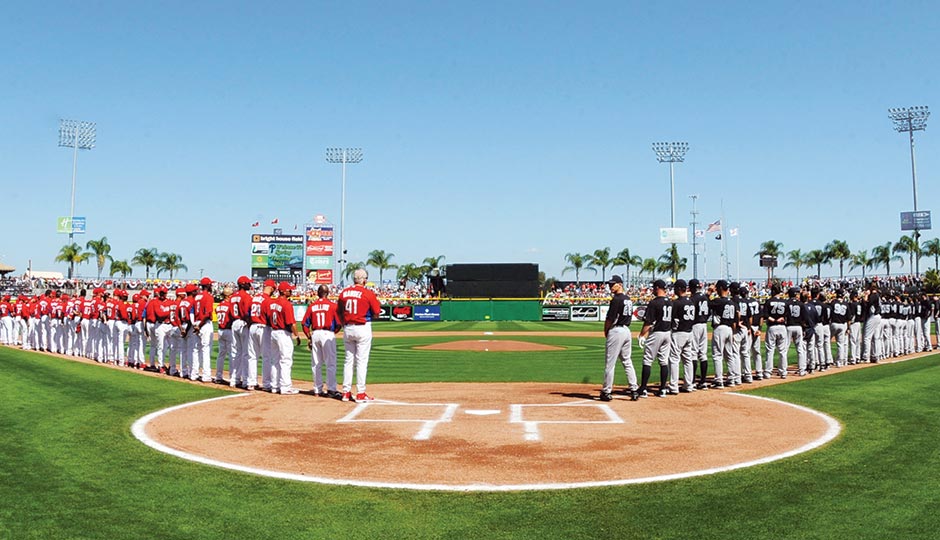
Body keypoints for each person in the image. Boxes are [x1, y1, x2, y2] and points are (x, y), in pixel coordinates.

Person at [337, 268, 382, 402]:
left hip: (348, 327)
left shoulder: (344, 293)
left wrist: (344, 322)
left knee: (348, 360)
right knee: (361, 361)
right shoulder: (367, 293)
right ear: (364, 280)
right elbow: (377, 312)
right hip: (363, 326)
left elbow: (338, 311)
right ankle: (360, 393)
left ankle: (346, 392)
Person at [599, 275, 638, 401]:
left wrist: (606, 331)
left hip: (616, 331)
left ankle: (606, 391)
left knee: (610, 363)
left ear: (620, 284)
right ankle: (634, 389)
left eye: (613, 284)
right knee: (627, 361)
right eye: (610, 284)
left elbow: (609, 318)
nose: (610, 286)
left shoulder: (616, 299)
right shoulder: (628, 299)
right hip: (627, 330)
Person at [302, 284, 343, 398]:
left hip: (315, 333)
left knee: (316, 363)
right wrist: (332, 333)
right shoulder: (332, 306)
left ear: (317, 293)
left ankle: (317, 389)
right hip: (327, 333)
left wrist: (309, 337)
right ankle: (331, 389)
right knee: (330, 363)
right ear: (328, 293)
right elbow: (339, 324)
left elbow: (305, 325)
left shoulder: (312, 306)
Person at [636, 279, 672, 398]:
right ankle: (662, 389)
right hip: (668, 332)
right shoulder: (670, 302)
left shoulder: (654, 302)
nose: (652, 290)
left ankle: (643, 389)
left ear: (657, 288)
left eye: (653, 288)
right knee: (663, 361)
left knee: (647, 360)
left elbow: (648, 322)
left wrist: (641, 335)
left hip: (657, 332)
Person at [268, 281, 302, 394]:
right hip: (283, 333)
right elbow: (291, 323)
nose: (291, 291)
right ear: (283, 291)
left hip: (273, 332)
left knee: (275, 360)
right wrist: (297, 335)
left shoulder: (272, 303)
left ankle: (274, 386)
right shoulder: (286, 304)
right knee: (286, 360)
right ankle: (285, 387)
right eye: (289, 289)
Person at [668, 279, 696, 393]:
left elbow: (671, 319)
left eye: (675, 288)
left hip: (679, 333)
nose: (674, 290)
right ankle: (688, 385)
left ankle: (674, 386)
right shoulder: (691, 302)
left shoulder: (677, 302)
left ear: (679, 289)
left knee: (674, 359)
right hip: (689, 332)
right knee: (687, 359)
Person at [709, 280, 738, 388]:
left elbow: (705, 303)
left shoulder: (718, 301)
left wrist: (709, 292)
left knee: (717, 355)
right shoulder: (732, 302)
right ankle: (731, 379)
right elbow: (735, 319)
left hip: (720, 328)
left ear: (721, 288)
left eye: (717, 288)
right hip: (730, 329)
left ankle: (719, 380)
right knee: (729, 355)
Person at [689, 279, 711, 390]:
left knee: (693, 353)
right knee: (703, 354)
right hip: (704, 325)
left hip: (695, 325)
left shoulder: (693, 298)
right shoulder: (705, 298)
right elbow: (709, 312)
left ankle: (692, 381)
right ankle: (703, 381)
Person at [193, 277, 216, 383]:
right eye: (210, 285)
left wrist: (196, 324)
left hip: (197, 321)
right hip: (204, 324)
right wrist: (200, 325)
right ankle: (206, 375)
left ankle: (194, 374)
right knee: (206, 350)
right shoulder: (208, 297)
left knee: (196, 350)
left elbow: (192, 312)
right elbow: (207, 314)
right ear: (207, 286)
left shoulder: (197, 296)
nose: (211, 286)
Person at [214, 286, 237, 384]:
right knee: (232, 354)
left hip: (220, 330)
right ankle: (233, 378)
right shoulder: (229, 305)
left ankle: (218, 376)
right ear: (228, 296)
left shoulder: (218, 306)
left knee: (221, 354)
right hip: (228, 330)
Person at [862, 283, 882, 363]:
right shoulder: (877, 295)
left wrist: (866, 295)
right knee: (875, 338)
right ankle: (876, 356)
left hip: (873, 316)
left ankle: (866, 357)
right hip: (877, 316)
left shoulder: (874, 295)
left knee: (867, 337)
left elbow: (866, 303)